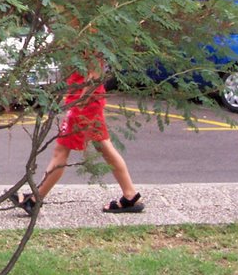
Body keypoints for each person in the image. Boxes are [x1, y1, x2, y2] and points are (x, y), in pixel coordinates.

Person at [14, 62, 143, 215]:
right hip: (88, 102)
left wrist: (80, 102)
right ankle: (130, 195)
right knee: (104, 147)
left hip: (84, 104)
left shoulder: (90, 40)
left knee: (61, 151)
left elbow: (95, 74)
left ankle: (35, 200)